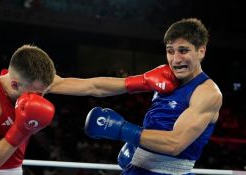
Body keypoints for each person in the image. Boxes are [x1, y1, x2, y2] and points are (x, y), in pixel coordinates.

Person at [50, 18, 222, 174]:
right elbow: (99, 86)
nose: (176, 59)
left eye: (183, 50)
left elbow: (174, 144)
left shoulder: (207, 92)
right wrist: (56, 84)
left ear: (201, 51)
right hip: (137, 169)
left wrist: (121, 129)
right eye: (170, 51)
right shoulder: (164, 76)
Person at [0, 44, 56, 175]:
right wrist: (23, 128)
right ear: (14, 84)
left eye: (43, 93)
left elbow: (88, 86)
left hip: (17, 169)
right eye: (36, 93)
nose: (39, 98)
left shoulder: (28, 82)